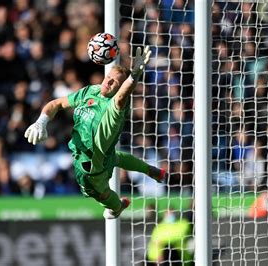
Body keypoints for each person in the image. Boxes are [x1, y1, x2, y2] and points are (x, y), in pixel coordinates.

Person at [24, 46, 167, 219]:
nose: (108, 82)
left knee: (101, 194)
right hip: (103, 154)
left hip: (91, 168)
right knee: (115, 157)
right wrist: (41, 122)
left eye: (115, 82)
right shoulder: (91, 91)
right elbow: (57, 103)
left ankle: (118, 206)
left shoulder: (115, 108)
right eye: (108, 77)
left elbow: (122, 96)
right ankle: (150, 170)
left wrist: (134, 76)